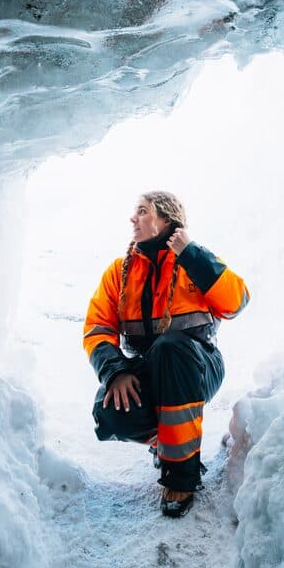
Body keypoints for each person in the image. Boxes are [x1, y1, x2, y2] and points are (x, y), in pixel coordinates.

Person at [83, 191, 250, 517]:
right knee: (109, 410)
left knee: (171, 347)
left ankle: (181, 477)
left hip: (199, 366)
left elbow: (237, 301)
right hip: (150, 369)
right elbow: (97, 329)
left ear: (166, 220)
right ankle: (168, 441)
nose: (133, 218)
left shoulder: (193, 262)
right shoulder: (118, 273)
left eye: (143, 211)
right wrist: (117, 372)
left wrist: (192, 254)